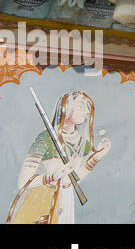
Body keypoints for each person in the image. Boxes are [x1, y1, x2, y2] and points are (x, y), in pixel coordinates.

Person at [6, 90, 110, 224]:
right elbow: (23, 182)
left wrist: (96, 158)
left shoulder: (82, 143)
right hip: (41, 200)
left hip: (65, 201)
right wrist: (55, 175)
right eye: (80, 106)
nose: (86, 111)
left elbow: (72, 181)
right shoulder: (46, 138)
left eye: (86, 107)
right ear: (65, 108)